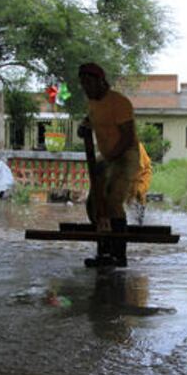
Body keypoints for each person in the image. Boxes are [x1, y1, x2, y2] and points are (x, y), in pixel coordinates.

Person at [78, 62, 140, 268]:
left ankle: (119, 255)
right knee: (94, 204)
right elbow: (92, 118)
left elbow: (127, 137)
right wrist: (83, 126)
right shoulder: (93, 102)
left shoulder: (119, 103)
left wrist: (111, 158)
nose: (86, 88)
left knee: (113, 199)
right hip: (107, 156)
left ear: (101, 81)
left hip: (126, 155)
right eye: (83, 84)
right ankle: (104, 252)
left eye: (89, 83)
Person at [128, 142, 153, 225]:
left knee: (139, 194)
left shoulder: (137, 147)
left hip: (142, 175)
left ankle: (140, 222)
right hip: (131, 178)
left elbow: (139, 166)